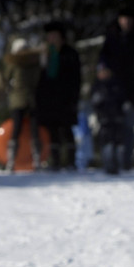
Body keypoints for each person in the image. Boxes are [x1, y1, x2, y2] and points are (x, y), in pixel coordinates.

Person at [36, 21, 81, 171]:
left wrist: (74, 98)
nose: (52, 39)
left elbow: (76, 79)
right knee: (52, 132)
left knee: (67, 130)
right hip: (49, 101)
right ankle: (54, 161)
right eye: (50, 36)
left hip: (66, 99)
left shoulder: (70, 54)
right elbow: (40, 79)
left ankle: (71, 161)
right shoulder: (45, 55)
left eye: (55, 36)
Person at [98, 8, 134, 171]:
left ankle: (125, 161)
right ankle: (110, 163)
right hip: (111, 92)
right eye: (124, 18)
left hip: (130, 91)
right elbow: (102, 62)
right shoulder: (111, 38)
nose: (126, 22)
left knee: (128, 128)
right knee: (110, 129)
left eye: (129, 19)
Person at [2, 37, 42, 172]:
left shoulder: (14, 63)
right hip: (33, 99)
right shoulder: (35, 62)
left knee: (16, 130)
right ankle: (37, 160)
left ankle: (11, 161)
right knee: (34, 130)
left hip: (18, 100)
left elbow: (6, 81)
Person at [90, 60, 128, 174]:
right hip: (104, 120)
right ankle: (108, 166)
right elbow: (95, 103)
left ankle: (118, 166)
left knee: (118, 143)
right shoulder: (97, 86)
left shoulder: (116, 84)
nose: (103, 74)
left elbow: (122, 100)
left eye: (105, 71)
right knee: (107, 143)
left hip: (117, 118)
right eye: (101, 72)